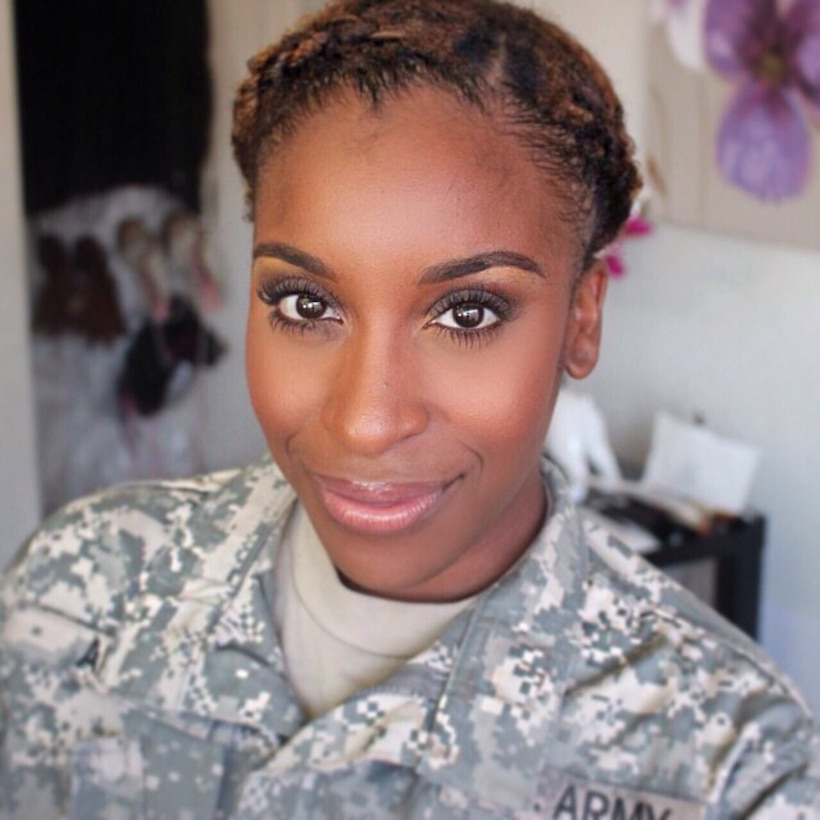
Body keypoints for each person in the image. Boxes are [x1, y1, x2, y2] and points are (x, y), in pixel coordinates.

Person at [1, 0, 817, 816]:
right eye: (303, 304)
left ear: (581, 318)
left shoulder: (729, 763)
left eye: (467, 314)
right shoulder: (78, 592)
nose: (365, 420)